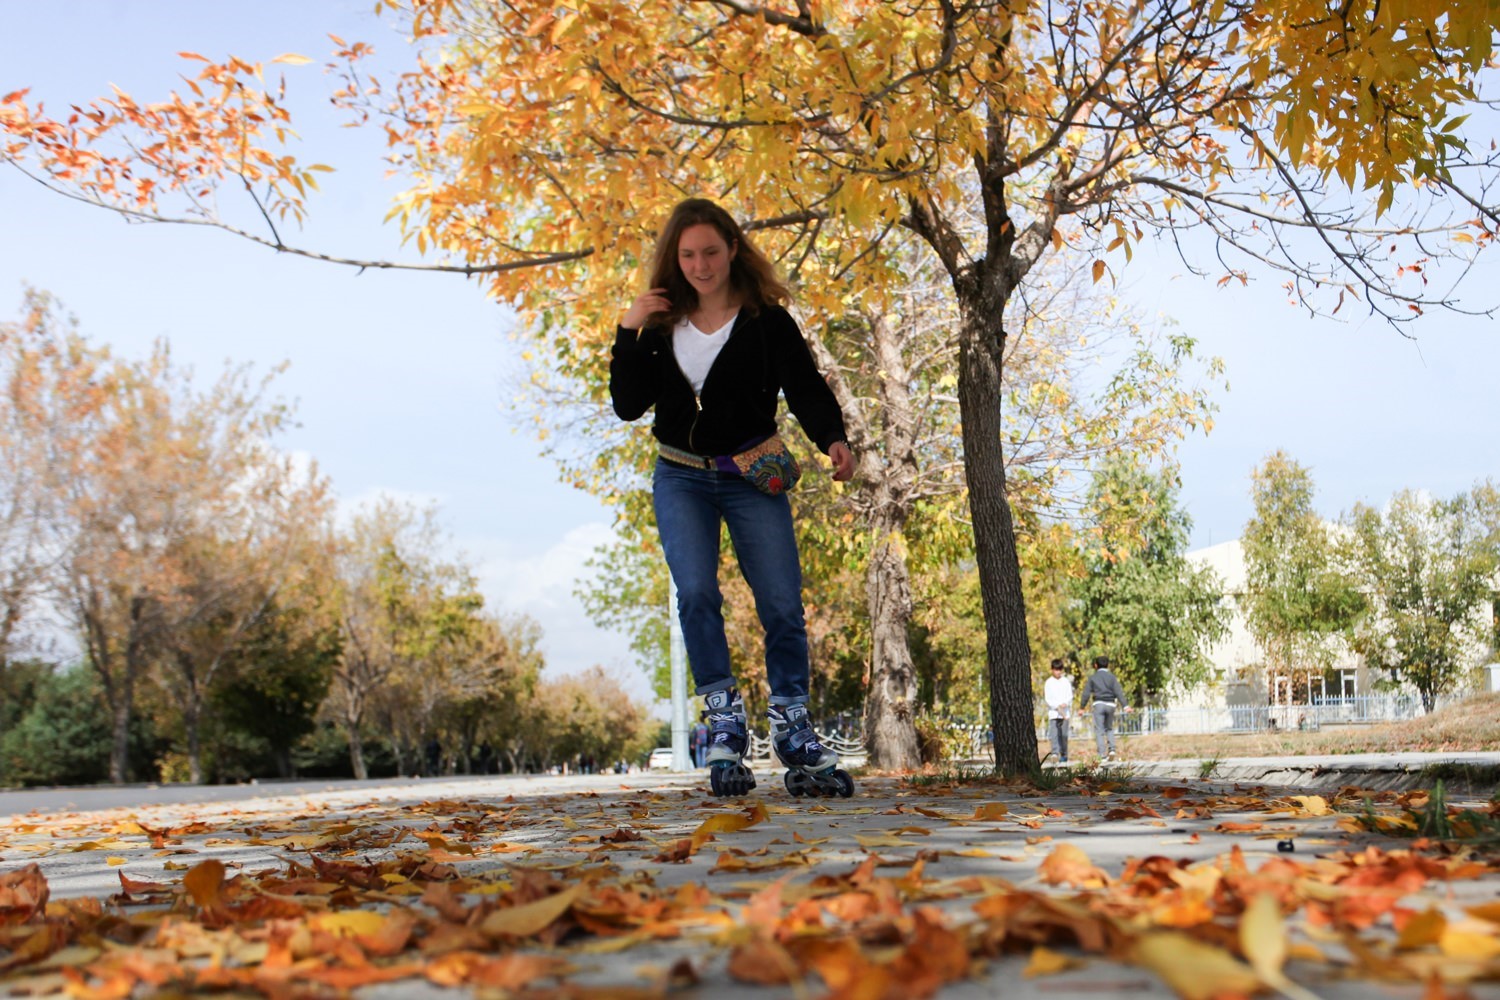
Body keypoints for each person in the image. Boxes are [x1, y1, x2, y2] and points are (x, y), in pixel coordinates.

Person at [610, 198, 855, 796]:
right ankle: (724, 720)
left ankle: (794, 726)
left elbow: (803, 387)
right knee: (695, 593)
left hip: (751, 475)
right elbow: (627, 404)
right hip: (681, 475)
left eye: (711, 252)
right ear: (676, 257)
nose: (700, 265)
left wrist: (834, 439)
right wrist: (628, 328)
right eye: (688, 254)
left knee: (780, 601)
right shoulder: (661, 323)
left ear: (733, 250)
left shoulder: (767, 321)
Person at [1079, 655, 1129, 761]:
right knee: (1109, 728)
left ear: (1096, 665)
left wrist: (1082, 707)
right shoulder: (1112, 677)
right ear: (1108, 665)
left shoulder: (1093, 678)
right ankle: (1112, 749)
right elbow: (1118, 691)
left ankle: (1102, 754)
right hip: (1111, 705)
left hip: (1099, 704)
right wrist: (1125, 705)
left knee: (1099, 730)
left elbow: (1086, 693)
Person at [1043, 658, 1073, 764]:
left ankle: (1064, 754)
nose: (1058, 672)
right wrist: (1056, 706)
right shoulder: (1048, 683)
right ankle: (1055, 753)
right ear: (1052, 670)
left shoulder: (1066, 682)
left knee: (1064, 735)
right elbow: (1048, 699)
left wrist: (1065, 703)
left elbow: (1069, 696)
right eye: (1056, 670)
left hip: (1065, 713)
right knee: (1054, 734)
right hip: (1054, 713)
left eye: (1060, 670)